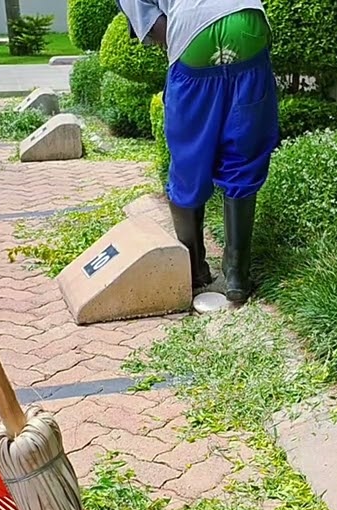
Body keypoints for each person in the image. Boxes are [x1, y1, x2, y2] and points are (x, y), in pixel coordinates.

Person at [115, 0, 280, 303]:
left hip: (195, 37)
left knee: (190, 154)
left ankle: (193, 270)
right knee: (243, 148)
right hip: (247, 22)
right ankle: (237, 276)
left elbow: (157, 28)